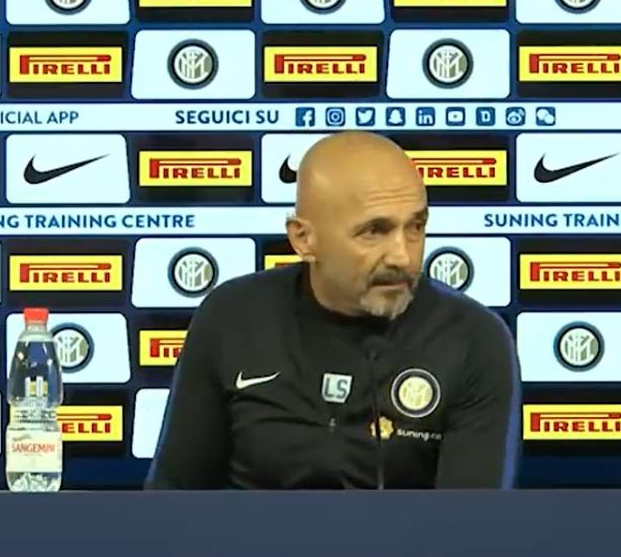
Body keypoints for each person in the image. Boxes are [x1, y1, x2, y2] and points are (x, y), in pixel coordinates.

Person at [144, 131, 521, 490]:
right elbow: (173, 495)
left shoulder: (473, 339)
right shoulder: (232, 317)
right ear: (303, 239)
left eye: (415, 227)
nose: (403, 256)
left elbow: (471, 522)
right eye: (374, 231)